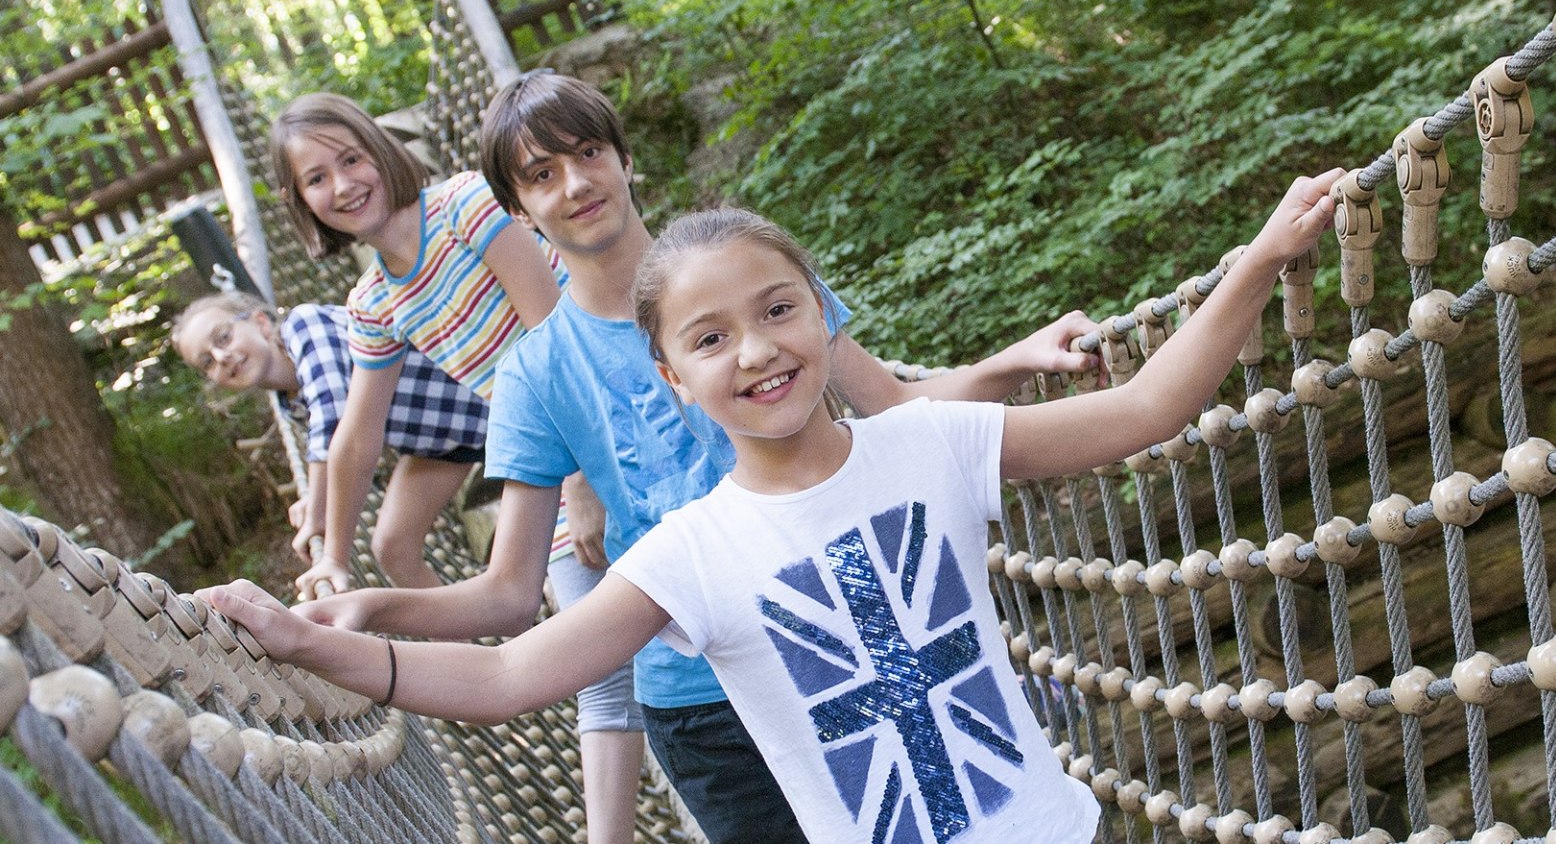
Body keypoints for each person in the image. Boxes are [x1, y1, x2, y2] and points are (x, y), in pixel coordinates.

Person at [206, 166, 1344, 843]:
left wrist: (1261, 254)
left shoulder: (929, 443)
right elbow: (512, 674)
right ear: (671, 380)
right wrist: (315, 639)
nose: (757, 352)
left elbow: (1144, 408)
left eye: (781, 309)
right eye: (710, 339)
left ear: (822, 317)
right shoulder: (690, 553)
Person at [288, 72, 1103, 844]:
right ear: (518, 211)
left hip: (850, 646)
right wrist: (376, 608)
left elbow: (892, 410)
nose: (574, 184)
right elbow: (507, 597)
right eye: (541, 175)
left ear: (624, 158)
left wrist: (1012, 362)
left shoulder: (739, 271)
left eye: (587, 154)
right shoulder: (535, 376)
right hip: (700, 704)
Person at [267, 92, 573, 601]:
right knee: (589, 648)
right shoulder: (372, 302)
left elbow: (554, 339)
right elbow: (358, 435)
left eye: (351, 160)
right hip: (547, 450)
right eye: (316, 179)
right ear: (300, 200)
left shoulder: (464, 206)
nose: (343, 186)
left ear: (379, 150)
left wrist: (580, 482)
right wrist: (334, 557)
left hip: (599, 408)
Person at [171, 293, 485, 588]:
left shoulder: (305, 325)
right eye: (207, 362)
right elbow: (330, 442)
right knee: (393, 548)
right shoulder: (290, 401)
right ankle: (472, 642)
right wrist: (316, 495)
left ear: (260, 323)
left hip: (483, 402)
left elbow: (336, 427)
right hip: (446, 443)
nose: (221, 357)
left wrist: (334, 555)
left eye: (223, 337)